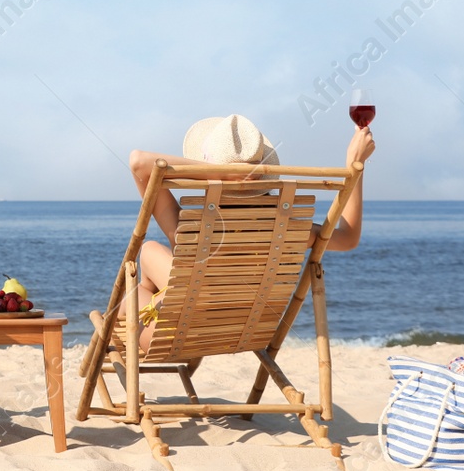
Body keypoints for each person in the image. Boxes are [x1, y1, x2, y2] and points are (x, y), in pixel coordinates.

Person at [124, 119, 376, 352]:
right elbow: (348, 238)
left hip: (173, 338)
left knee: (130, 292)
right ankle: (153, 299)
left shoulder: (186, 229)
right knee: (150, 251)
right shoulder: (286, 231)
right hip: (241, 336)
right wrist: (355, 166)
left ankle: (131, 312)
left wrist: (221, 174)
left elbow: (139, 162)